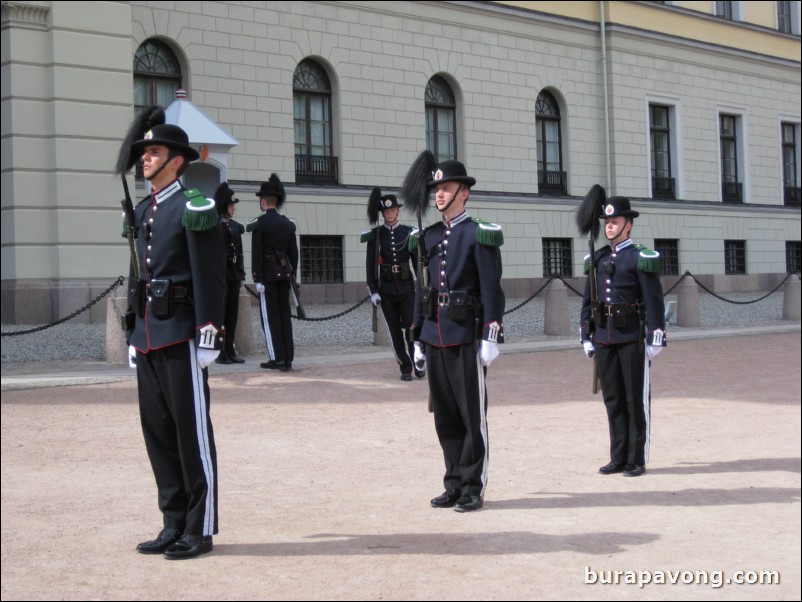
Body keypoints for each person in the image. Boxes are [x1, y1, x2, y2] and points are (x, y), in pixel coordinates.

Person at [119, 110, 226, 559]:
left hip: (181, 332)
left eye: (155, 152)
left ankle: (199, 528)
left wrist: (209, 331)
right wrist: (131, 328)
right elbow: (135, 274)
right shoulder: (144, 210)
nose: (146, 159)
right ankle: (173, 521)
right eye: (143, 152)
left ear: (177, 161)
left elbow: (210, 275)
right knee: (158, 432)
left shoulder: (194, 208)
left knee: (190, 433)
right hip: (148, 334)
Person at [406, 158, 505, 513]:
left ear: (464, 193)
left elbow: (492, 289)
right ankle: (452, 482)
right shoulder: (429, 236)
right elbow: (423, 289)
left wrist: (491, 334)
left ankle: (472, 486)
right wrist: (417, 336)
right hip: (435, 334)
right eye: (436, 190)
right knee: (445, 416)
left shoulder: (478, 233)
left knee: (470, 415)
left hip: (466, 333)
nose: (439, 195)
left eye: (446, 189)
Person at [580, 196, 666, 478]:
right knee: (613, 399)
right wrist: (586, 333)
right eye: (607, 222)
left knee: (634, 399)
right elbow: (588, 299)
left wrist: (656, 335)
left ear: (628, 226)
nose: (609, 227)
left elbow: (653, 300)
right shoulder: (598, 257)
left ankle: (636, 458)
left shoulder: (640, 257)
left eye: (615, 222)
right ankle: (618, 456)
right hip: (604, 335)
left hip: (631, 336)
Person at [362, 187, 421, 381]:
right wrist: (373, 289)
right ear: (383, 213)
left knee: (412, 328)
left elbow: (417, 262)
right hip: (386, 290)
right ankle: (405, 366)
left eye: (393, 210)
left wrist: (421, 287)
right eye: (386, 211)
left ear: (397, 211)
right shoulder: (376, 235)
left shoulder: (408, 233)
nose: (390, 213)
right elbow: (371, 264)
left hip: (406, 288)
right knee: (394, 331)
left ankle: (418, 361)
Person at [252, 173, 298, 372]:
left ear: (263, 201)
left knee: (270, 318)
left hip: (268, 276)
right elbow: (293, 255)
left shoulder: (259, 224)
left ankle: (276, 357)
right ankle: (287, 358)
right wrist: (291, 274)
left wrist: (257, 277)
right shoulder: (288, 224)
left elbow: (257, 253)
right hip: (285, 276)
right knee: (284, 316)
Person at [214, 182, 246, 364]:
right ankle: (220, 352)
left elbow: (239, 251)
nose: (234, 208)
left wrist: (241, 274)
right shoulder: (216, 226)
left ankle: (230, 348)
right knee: (222, 315)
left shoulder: (234, 226)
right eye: (231, 205)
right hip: (222, 276)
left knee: (232, 315)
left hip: (233, 275)